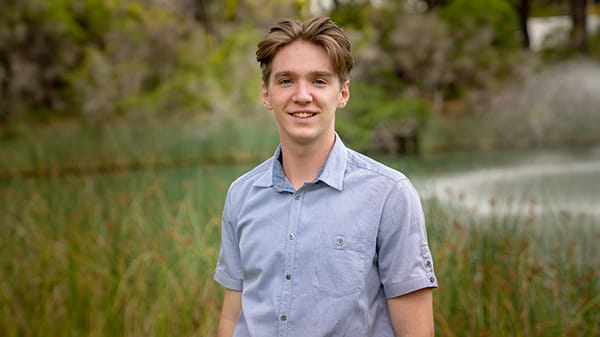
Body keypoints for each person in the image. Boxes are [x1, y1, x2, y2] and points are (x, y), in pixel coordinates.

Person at [214, 16, 437, 337]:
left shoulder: (390, 194)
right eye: (286, 80)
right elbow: (231, 317)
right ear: (266, 94)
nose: (302, 95)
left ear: (343, 93)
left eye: (319, 81)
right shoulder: (241, 194)